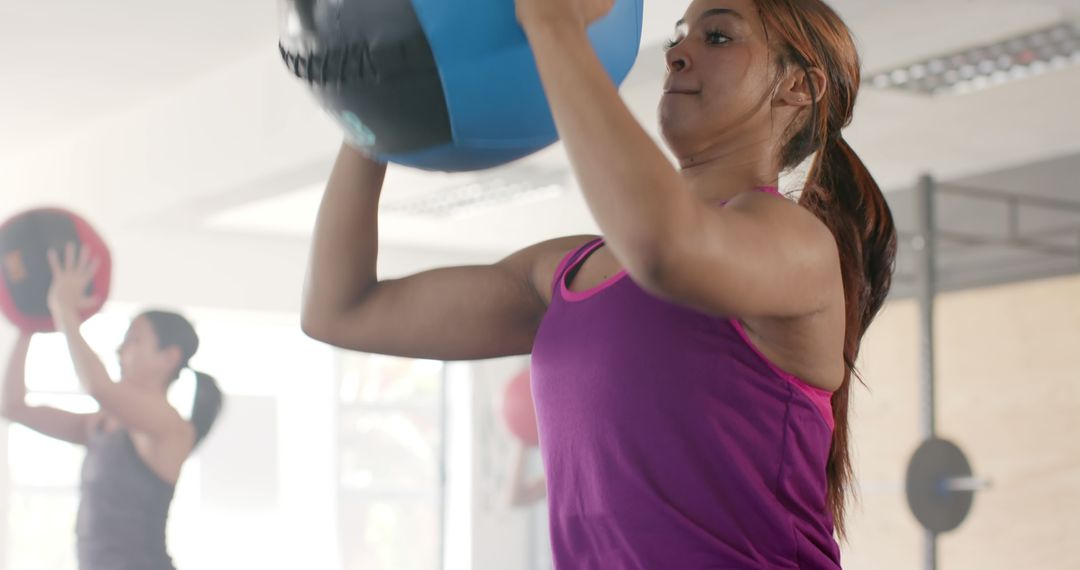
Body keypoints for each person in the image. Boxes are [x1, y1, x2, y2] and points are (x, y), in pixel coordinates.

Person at [301, 0, 896, 566]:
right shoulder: (565, 273)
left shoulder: (796, 246)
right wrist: (375, 108)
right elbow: (340, 309)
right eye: (677, 37)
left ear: (799, 86)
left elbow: (665, 248)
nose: (678, 53)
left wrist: (555, 26)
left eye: (717, 36)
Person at [0, 242, 224, 570]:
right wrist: (30, 322)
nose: (120, 350)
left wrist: (64, 310)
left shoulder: (168, 425)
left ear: (168, 357)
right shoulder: (102, 424)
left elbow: (98, 386)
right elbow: (13, 406)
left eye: (133, 340)